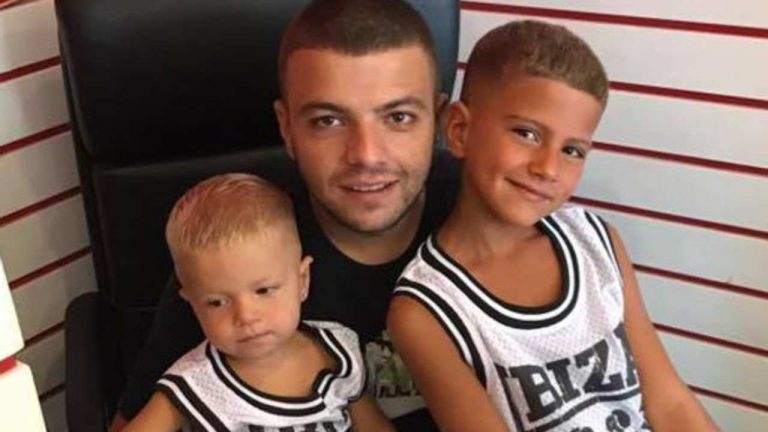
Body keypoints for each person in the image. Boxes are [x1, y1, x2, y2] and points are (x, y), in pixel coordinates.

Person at [112, 0, 458, 430]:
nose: (367, 155)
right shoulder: (239, 244)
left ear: (438, 120)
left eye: (399, 117)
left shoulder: (485, 211)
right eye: (328, 121)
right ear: (287, 127)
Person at [387, 20, 718, 432]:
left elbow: (669, 401)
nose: (548, 168)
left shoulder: (597, 241)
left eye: (572, 150)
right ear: (460, 130)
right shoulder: (424, 310)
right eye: (527, 133)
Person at [122, 174, 394, 431]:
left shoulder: (337, 350)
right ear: (192, 304)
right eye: (217, 302)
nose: (246, 316)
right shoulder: (193, 384)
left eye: (263, 290)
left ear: (302, 281)